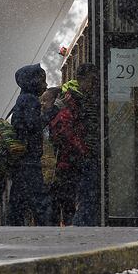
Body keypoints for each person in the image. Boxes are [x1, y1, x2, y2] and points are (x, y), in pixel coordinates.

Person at [8, 64, 53, 226]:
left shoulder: (22, 98)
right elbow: (33, 125)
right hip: (29, 158)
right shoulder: (30, 100)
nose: (46, 86)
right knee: (39, 198)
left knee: (17, 200)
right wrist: (50, 113)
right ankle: (47, 228)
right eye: (42, 81)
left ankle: (12, 227)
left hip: (22, 158)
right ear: (33, 81)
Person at [47, 83, 87, 226]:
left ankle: (59, 225)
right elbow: (69, 138)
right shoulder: (67, 115)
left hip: (64, 164)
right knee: (66, 200)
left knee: (61, 200)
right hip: (66, 164)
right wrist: (83, 150)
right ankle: (66, 225)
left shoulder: (63, 114)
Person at [71, 63, 101, 226]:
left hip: (88, 153)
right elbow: (88, 127)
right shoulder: (80, 100)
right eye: (91, 80)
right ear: (80, 80)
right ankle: (81, 226)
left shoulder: (85, 98)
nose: (94, 84)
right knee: (88, 196)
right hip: (87, 154)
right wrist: (86, 149)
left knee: (89, 195)